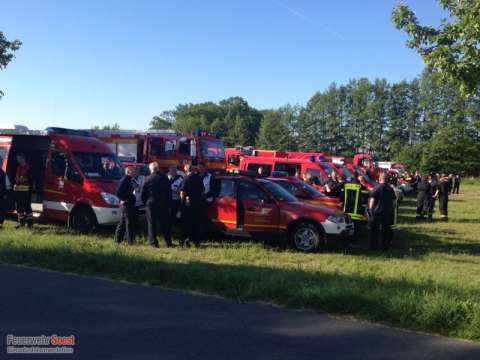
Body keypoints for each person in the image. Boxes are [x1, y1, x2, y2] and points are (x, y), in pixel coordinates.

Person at [142, 162, 173, 247]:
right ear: (158, 168)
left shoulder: (148, 178)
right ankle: (168, 242)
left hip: (151, 203)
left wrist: (145, 202)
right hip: (163, 203)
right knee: (164, 223)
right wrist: (169, 203)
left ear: (151, 169)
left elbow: (143, 193)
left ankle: (153, 243)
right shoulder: (165, 177)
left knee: (151, 223)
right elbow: (169, 192)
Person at [368, 172, 396, 250]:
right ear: (387, 179)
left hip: (376, 213)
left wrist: (370, 210)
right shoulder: (390, 189)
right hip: (387, 213)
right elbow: (394, 203)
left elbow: (372, 201)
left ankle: (373, 247)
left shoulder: (376, 188)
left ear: (379, 178)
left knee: (374, 231)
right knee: (386, 230)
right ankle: (385, 246)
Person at [180, 163, 204, 247]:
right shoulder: (198, 178)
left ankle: (187, 240)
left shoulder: (186, 178)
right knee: (196, 223)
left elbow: (183, 192)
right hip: (197, 204)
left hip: (188, 204)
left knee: (187, 223)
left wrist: (182, 202)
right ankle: (196, 242)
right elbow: (202, 190)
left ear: (186, 169)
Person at [114, 166, 138, 244]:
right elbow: (118, 192)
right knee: (128, 223)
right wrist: (124, 199)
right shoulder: (125, 180)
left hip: (128, 204)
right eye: (133, 171)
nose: (135, 173)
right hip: (127, 204)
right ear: (128, 172)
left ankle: (118, 240)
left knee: (122, 223)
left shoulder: (129, 180)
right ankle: (129, 241)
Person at [13, 153, 33, 228]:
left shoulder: (28, 167)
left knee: (26, 206)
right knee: (18, 206)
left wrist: (23, 179)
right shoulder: (18, 167)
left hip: (26, 190)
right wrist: (17, 179)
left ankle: (30, 223)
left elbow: (30, 179)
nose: (18, 160)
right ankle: (21, 222)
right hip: (18, 190)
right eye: (17, 158)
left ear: (23, 158)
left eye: (19, 158)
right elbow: (16, 177)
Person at [0, 155, 11, 229]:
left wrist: (6, 194)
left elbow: (7, 185)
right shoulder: (3, 174)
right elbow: (7, 186)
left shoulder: (3, 174)